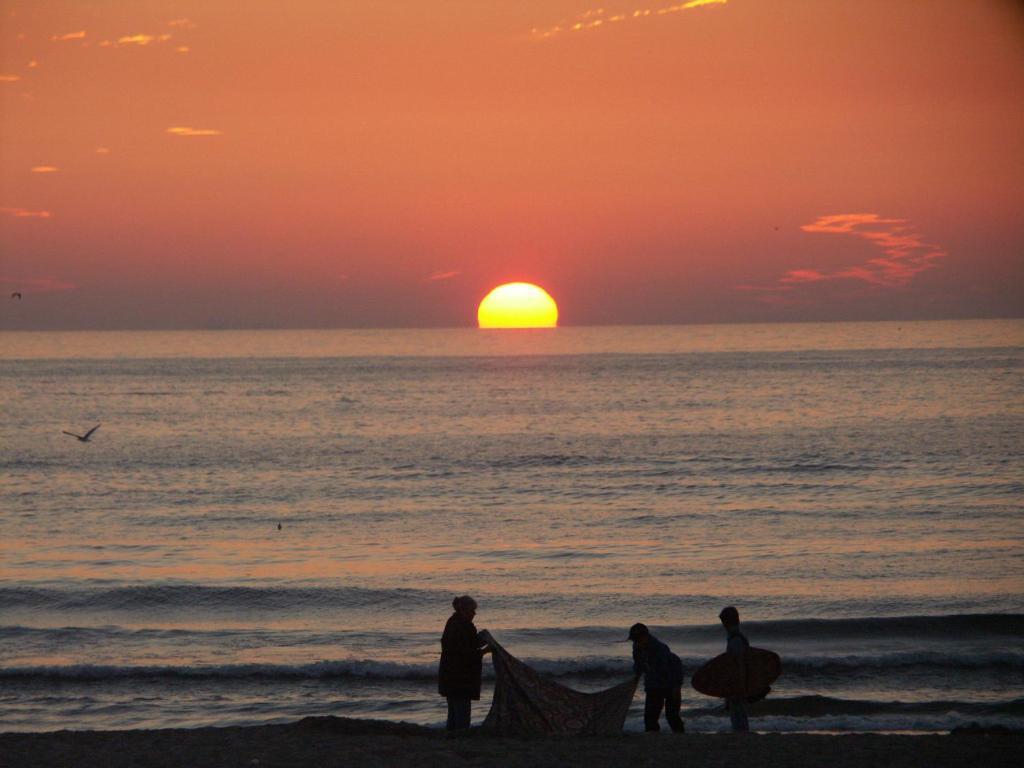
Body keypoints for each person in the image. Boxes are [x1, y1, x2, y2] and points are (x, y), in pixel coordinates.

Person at [438, 595, 491, 733]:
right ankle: (460, 736)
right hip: (461, 676)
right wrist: (485, 651)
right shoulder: (464, 626)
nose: (474, 614)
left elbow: (464, 645)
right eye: (472, 610)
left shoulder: (452, 622)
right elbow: (466, 653)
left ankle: (451, 736)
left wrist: (481, 641)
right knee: (462, 711)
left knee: (453, 711)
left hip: (449, 673)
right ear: (464, 610)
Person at [628, 622, 685, 733]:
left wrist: (677, 687)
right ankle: (652, 739)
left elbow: (676, 666)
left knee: (672, 716)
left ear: (645, 636)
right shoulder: (637, 647)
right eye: (634, 640)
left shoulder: (660, 649)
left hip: (670, 684)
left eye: (638, 639)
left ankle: (680, 738)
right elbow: (638, 664)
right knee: (650, 718)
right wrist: (636, 676)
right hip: (653, 685)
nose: (636, 642)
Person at [719, 605, 749, 732]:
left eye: (723, 623)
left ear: (727, 623)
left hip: (737, 681)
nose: (723, 626)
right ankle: (740, 732)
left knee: (738, 711)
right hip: (736, 681)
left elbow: (739, 663)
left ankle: (741, 733)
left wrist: (740, 684)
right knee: (737, 710)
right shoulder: (737, 638)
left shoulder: (736, 640)